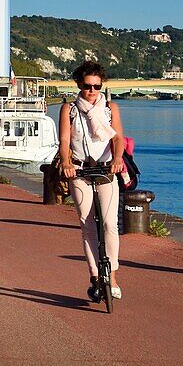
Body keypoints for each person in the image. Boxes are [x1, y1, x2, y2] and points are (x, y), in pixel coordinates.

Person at [58, 61, 126, 303]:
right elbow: (64, 141)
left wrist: (117, 159)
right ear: (79, 84)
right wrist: (66, 163)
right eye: (87, 86)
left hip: (107, 169)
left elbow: (118, 139)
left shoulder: (110, 108)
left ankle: (113, 278)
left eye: (97, 86)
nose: (92, 91)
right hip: (79, 169)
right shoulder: (69, 109)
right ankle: (95, 277)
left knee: (110, 224)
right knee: (87, 225)